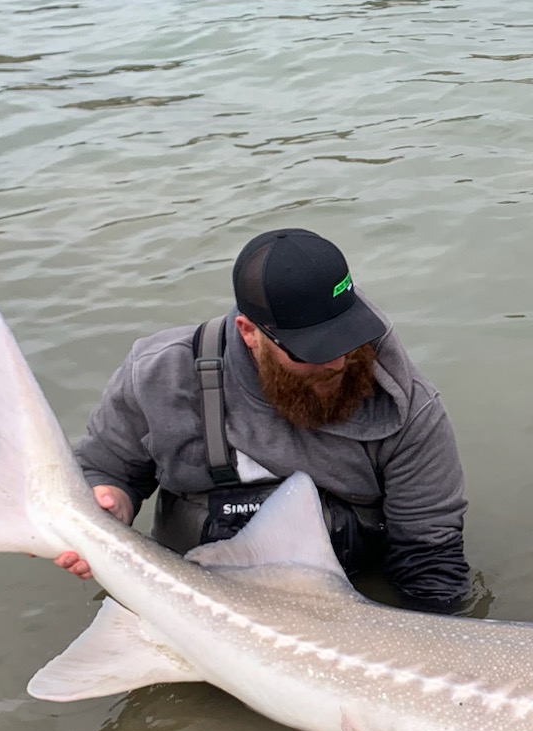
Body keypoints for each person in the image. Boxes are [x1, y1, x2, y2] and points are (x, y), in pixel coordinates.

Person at [57, 227, 472, 613]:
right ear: (248, 332)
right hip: (186, 592)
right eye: (311, 350)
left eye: (348, 337)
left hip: (340, 598)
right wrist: (109, 502)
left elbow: (429, 552)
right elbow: (104, 470)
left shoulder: (407, 405)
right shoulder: (161, 373)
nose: (338, 361)